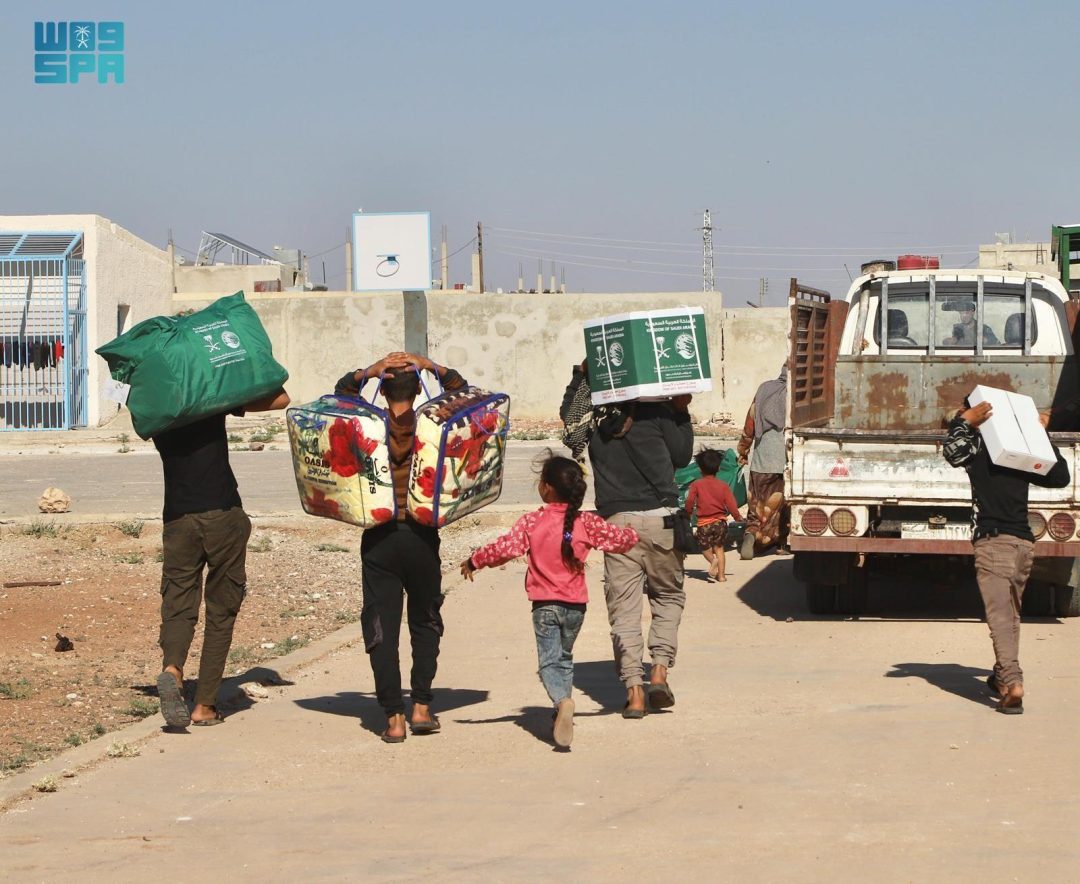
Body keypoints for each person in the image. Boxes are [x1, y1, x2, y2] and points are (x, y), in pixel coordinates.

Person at [460, 454, 639, 747]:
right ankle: (560, 710)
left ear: (546, 488)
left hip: (545, 606)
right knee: (564, 658)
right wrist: (634, 531)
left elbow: (504, 548)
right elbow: (621, 540)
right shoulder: (586, 523)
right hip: (576, 608)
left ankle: (562, 700)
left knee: (548, 663)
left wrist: (475, 560)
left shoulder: (532, 522)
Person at [334, 351, 466, 743]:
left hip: (380, 537)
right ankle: (422, 706)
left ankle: (393, 716)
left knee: (382, 628)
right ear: (420, 388)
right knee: (425, 621)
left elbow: (341, 393)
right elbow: (465, 393)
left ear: (382, 388)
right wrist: (434, 367)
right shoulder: (435, 425)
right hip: (422, 536)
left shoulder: (364, 424)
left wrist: (368, 371)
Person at [154, 387, 291, 729]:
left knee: (178, 602)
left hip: (177, 519)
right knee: (221, 609)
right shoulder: (208, 399)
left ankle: (172, 667)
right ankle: (204, 705)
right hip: (222, 515)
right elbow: (281, 398)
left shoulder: (154, 409)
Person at [563, 365, 694, 718]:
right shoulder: (659, 412)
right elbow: (682, 458)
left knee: (624, 610)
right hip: (661, 521)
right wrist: (681, 412)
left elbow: (568, 415)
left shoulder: (592, 420)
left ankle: (634, 692)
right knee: (667, 597)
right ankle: (660, 671)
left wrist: (580, 376)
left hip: (616, 524)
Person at [943, 399, 1070, 714]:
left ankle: (1013, 682)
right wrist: (1040, 435)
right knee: (1011, 615)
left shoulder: (980, 451)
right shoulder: (1018, 458)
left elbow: (953, 451)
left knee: (1000, 618)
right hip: (1023, 546)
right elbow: (1059, 477)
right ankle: (1001, 675)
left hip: (994, 543)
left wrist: (963, 422)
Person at [736, 365, 789, 560]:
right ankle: (782, 543)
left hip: (761, 459)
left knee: (757, 503)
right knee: (783, 506)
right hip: (786, 459)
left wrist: (743, 449)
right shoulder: (799, 395)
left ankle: (751, 534)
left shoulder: (764, 389)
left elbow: (750, 423)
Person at [684, 449, 741, 582]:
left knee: (704, 547)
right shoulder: (723, 485)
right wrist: (737, 517)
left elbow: (690, 502)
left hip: (704, 523)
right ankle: (721, 576)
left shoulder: (696, 484)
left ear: (699, 468)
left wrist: (687, 513)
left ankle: (712, 560)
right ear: (719, 467)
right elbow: (731, 503)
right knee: (719, 548)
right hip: (720, 522)